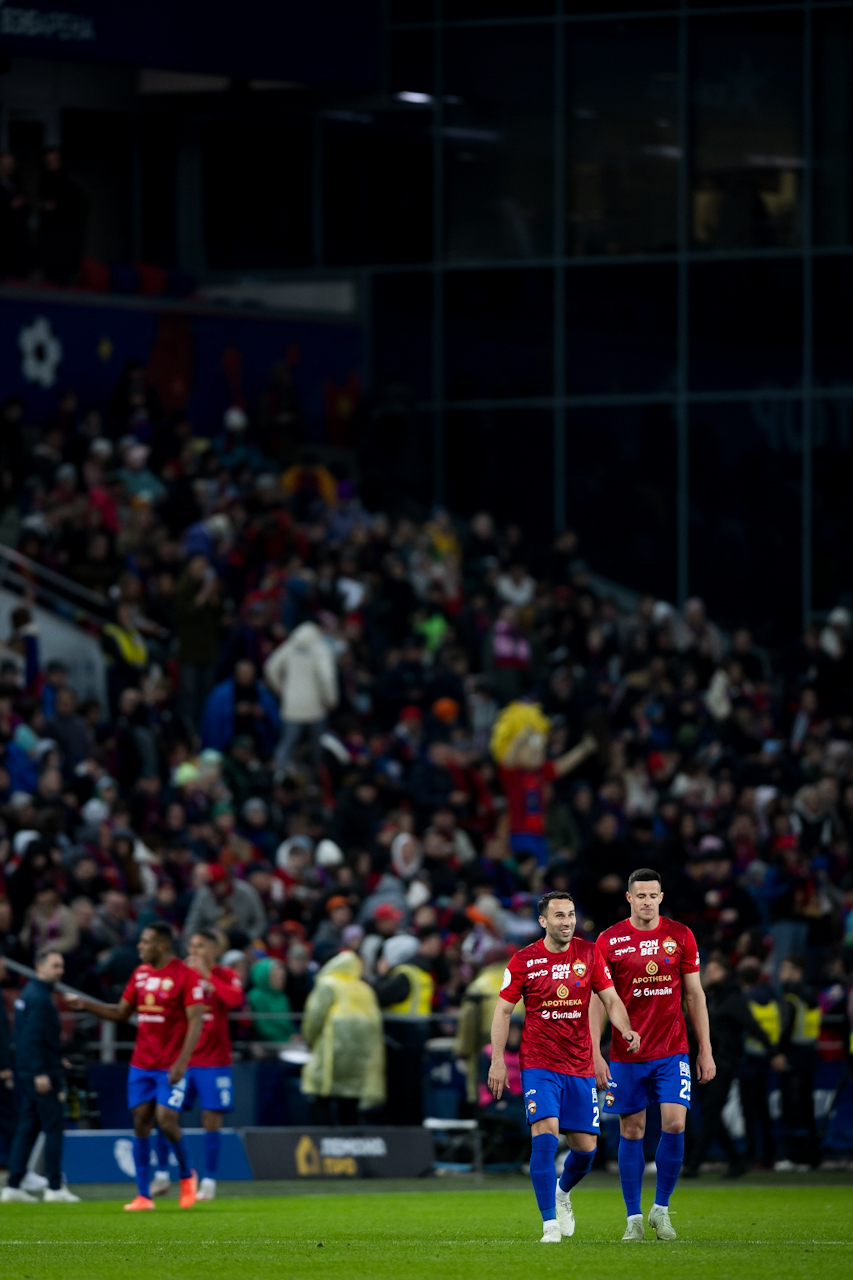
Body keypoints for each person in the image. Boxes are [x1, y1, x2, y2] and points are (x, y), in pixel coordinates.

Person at [489, 890, 639, 1243]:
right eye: (559, 915)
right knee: (545, 1132)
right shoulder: (524, 960)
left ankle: (562, 1193)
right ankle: (549, 1224)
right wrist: (497, 1060)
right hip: (539, 1063)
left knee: (586, 1149)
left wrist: (625, 1028)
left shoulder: (589, 953)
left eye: (571, 914)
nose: (567, 921)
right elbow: (503, 1011)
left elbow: (611, 999)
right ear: (543, 920)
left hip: (579, 1064)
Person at [590, 868, 716, 1242]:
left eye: (653, 895)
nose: (647, 901)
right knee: (632, 1130)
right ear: (629, 898)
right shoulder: (609, 941)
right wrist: (595, 1052)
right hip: (626, 1055)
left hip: (672, 1049)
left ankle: (661, 1209)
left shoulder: (681, 936)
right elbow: (598, 1001)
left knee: (675, 1124)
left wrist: (705, 1050)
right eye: (640, 895)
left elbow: (694, 995)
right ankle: (633, 1217)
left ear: (661, 897)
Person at [66, 922, 204, 1210]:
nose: (140, 947)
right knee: (141, 1120)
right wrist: (86, 1005)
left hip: (170, 1065)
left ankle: (187, 1175)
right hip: (142, 1063)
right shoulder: (140, 974)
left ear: (162, 945)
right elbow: (121, 1012)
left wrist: (182, 1062)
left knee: (167, 1120)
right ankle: (143, 1195)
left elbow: (196, 1021)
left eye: (145, 942)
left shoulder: (186, 976)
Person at [151, 930, 244, 1201]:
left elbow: (235, 1000)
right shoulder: (180, 975)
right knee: (165, 1115)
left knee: (211, 1120)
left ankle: (209, 1181)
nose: (194, 951)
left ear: (213, 950)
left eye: (200, 946)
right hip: (182, 1059)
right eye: (191, 946)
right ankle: (162, 1174)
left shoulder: (226, 974)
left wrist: (207, 976)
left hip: (214, 1062)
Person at [683, 957, 777, 1180]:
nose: (709, 973)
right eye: (708, 969)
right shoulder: (710, 998)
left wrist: (774, 1053)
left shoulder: (732, 999)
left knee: (711, 1112)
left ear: (726, 972)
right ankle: (736, 1160)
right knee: (711, 1114)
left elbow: (753, 1026)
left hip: (723, 1064)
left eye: (715, 969)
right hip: (702, 1063)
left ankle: (694, 1164)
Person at [1, 948, 80, 1202]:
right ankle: (54, 1187)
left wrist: (55, 1059)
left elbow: (32, 1037)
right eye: (55, 966)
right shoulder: (40, 998)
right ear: (39, 967)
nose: (60, 971)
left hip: (34, 1070)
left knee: (27, 1128)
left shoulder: (30, 994)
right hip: (41, 1075)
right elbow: (31, 1038)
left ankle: (14, 1185)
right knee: (53, 1127)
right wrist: (40, 1071)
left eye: (61, 966)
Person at [301, 950, 385, 1125]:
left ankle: (322, 1139)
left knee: (321, 1098)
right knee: (350, 1104)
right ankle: (349, 1140)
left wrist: (309, 1040)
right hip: (359, 1058)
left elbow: (315, 1018)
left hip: (330, 1054)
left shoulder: (328, 984)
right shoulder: (365, 989)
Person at [264, 619, 338, 776]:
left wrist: (281, 689)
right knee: (317, 744)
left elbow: (270, 667)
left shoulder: (291, 645)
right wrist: (331, 699)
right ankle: (318, 777)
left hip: (292, 704)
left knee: (288, 741)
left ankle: (278, 776)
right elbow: (327, 677)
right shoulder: (320, 647)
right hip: (316, 705)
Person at [776, 954, 821, 1169]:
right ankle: (810, 1157)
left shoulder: (790, 998)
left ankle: (795, 1157)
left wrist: (778, 1052)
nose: (780, 971)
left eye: (785, 968)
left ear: (797, 972)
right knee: (807, 1109)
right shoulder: (813, 996)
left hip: (792, 1058)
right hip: (809, 1057)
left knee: (792, 1110)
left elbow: (785, 1029)